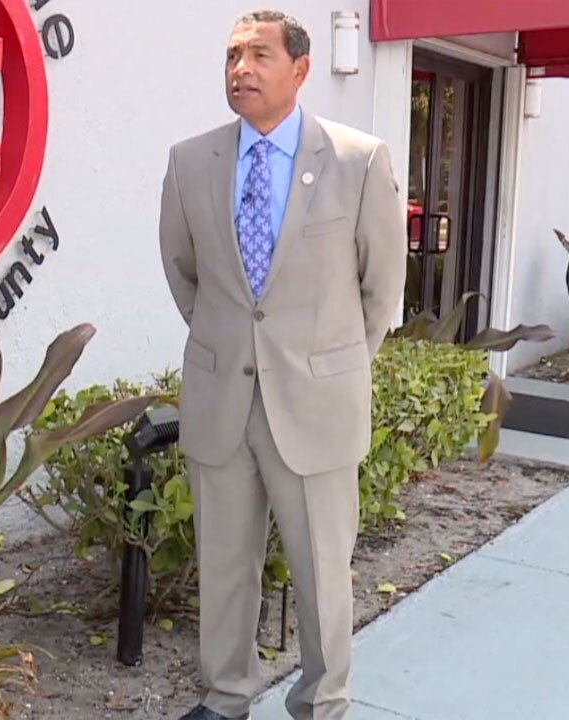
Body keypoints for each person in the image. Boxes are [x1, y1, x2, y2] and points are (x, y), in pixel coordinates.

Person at [157, 10, 407, 720]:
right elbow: (185, 273)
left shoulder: (358, 160)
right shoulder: (190, 160)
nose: (241, 68)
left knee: (324, 574)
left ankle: (323, 702)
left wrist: (325, 362)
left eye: (259, 54)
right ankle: (225, 697)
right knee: (225, 568)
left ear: (300, 69)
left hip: (315, 405)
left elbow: (379, 289)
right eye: (233, 55)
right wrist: (233, 343)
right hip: (222, 400)